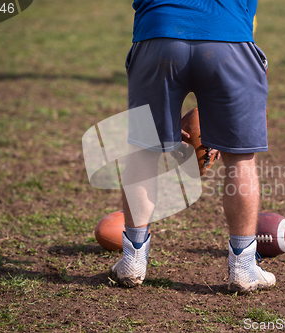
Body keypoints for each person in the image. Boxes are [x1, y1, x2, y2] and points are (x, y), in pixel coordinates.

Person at [110, 0, 275, 292]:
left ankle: (133, 260)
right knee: (240, 160)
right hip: (228, 37)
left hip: (158, 35)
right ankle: (244, 268)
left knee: (144, 151)